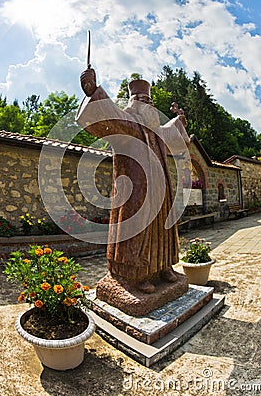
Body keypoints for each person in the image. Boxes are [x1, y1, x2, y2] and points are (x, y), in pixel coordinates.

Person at [77, 68, 190, 294]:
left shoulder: (156, 132)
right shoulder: (127, 122)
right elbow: (106, 113)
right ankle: (137, 275)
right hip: (135, 190)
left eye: (149, 100)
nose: (147, 103)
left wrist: (179, 122)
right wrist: (92, 91)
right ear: (132, 101)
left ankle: (163, 267)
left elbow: (173, 136)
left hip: (161, 188)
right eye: (142, 99)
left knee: (163, 228)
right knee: (139, 229)